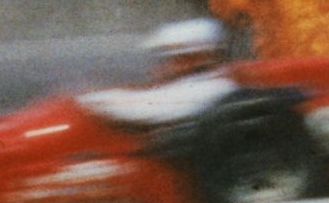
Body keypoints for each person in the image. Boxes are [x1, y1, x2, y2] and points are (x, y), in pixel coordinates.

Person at [78, 18, 241, 128]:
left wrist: (91, 99)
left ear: (197, 58)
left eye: (169, 59)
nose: (161, 67)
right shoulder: (199, 81)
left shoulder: (208, 88)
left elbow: (143, 109)